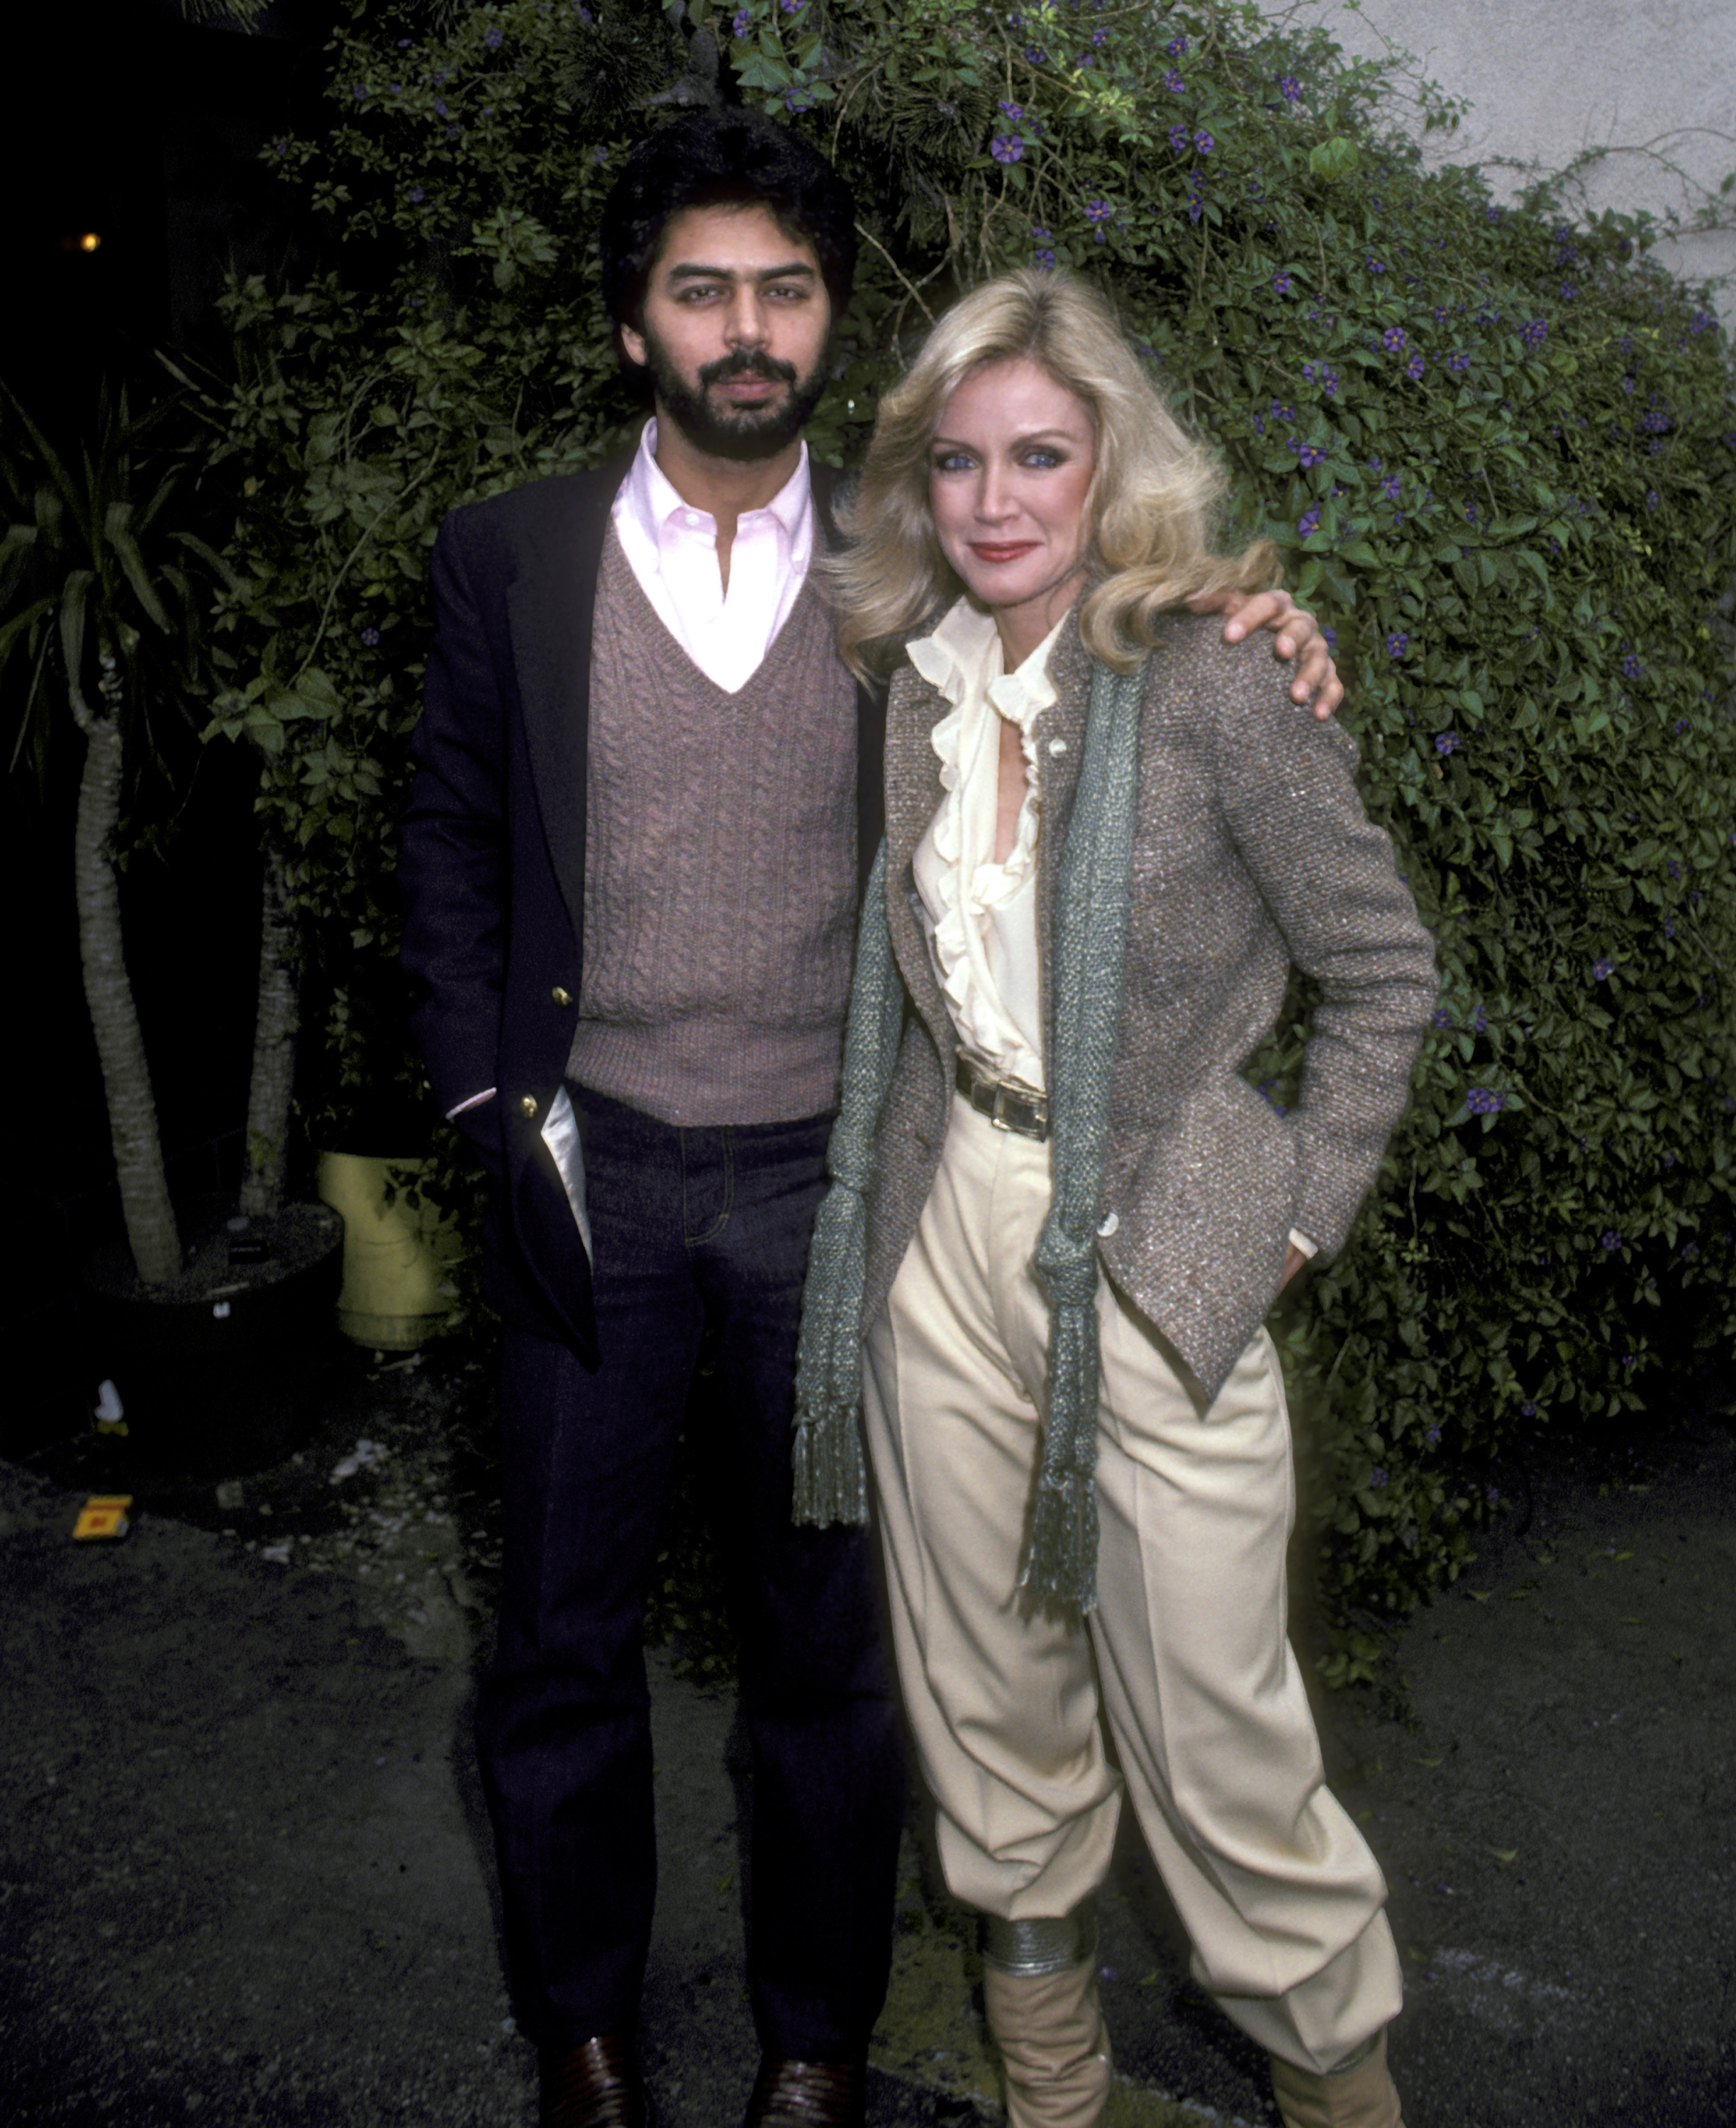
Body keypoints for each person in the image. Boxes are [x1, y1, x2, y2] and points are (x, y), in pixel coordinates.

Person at [398, 108, 1347, 2128]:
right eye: (700, 288)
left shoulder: (914, 566)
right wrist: (491, 1110)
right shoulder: (512, 553)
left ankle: (818, 2046)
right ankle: (581, 2027)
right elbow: (452, 848)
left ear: (831, 325)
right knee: (559, 1639)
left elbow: (1120, 649)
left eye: (788, 291)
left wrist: (1269, 627)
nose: (746, 330)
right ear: (631, 318)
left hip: (845, 1198)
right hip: (597, 1179)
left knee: (835, 1663)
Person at [794, 268, 1438, 2128]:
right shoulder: (902, 686)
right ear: (924, 486)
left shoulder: (1223, 676)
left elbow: (1384, 976)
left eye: (1043, 458)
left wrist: (1302, 1204)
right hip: (942, 1230)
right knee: (985, 1709)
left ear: (1109, 469)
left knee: (1224, 1739)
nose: (998, 500)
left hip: (1160, 1244)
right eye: (964, 462)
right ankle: (1049, 2082)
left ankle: (1341, 2089)